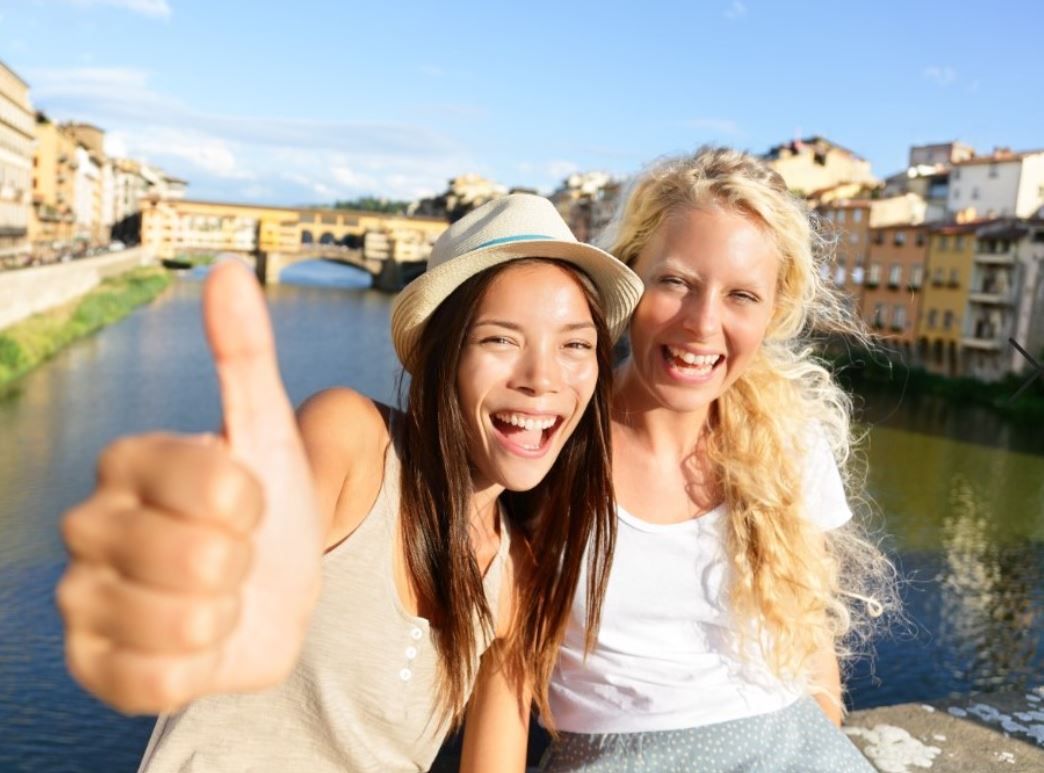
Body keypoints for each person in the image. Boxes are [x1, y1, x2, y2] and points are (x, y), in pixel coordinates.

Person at [56, 193, 643, 773]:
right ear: (439, 356)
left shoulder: (515, 581)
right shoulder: (353, 442)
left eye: (575, 345)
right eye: (500, 339)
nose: (543, 379)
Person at [463, 149, 896, 772]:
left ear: (773, 312)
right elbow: (504, 671)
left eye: (741, 295)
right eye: (676, 282)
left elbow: (811, 646)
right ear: (627, 279)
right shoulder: (548, 440)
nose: (701, 324)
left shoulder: (789, 438)